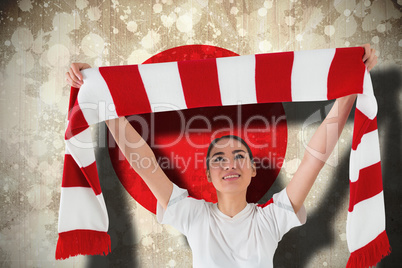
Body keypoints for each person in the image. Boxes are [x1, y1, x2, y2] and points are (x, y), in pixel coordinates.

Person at [65, 44, 377, 267]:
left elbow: (315, 158)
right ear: (209, 173)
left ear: (254, 170)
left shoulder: (271, 219)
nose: (230, 164)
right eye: (219, 159)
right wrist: (99, 95)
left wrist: (351, 81)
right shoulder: (193, 216)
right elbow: (141, 159)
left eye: (240, 156)